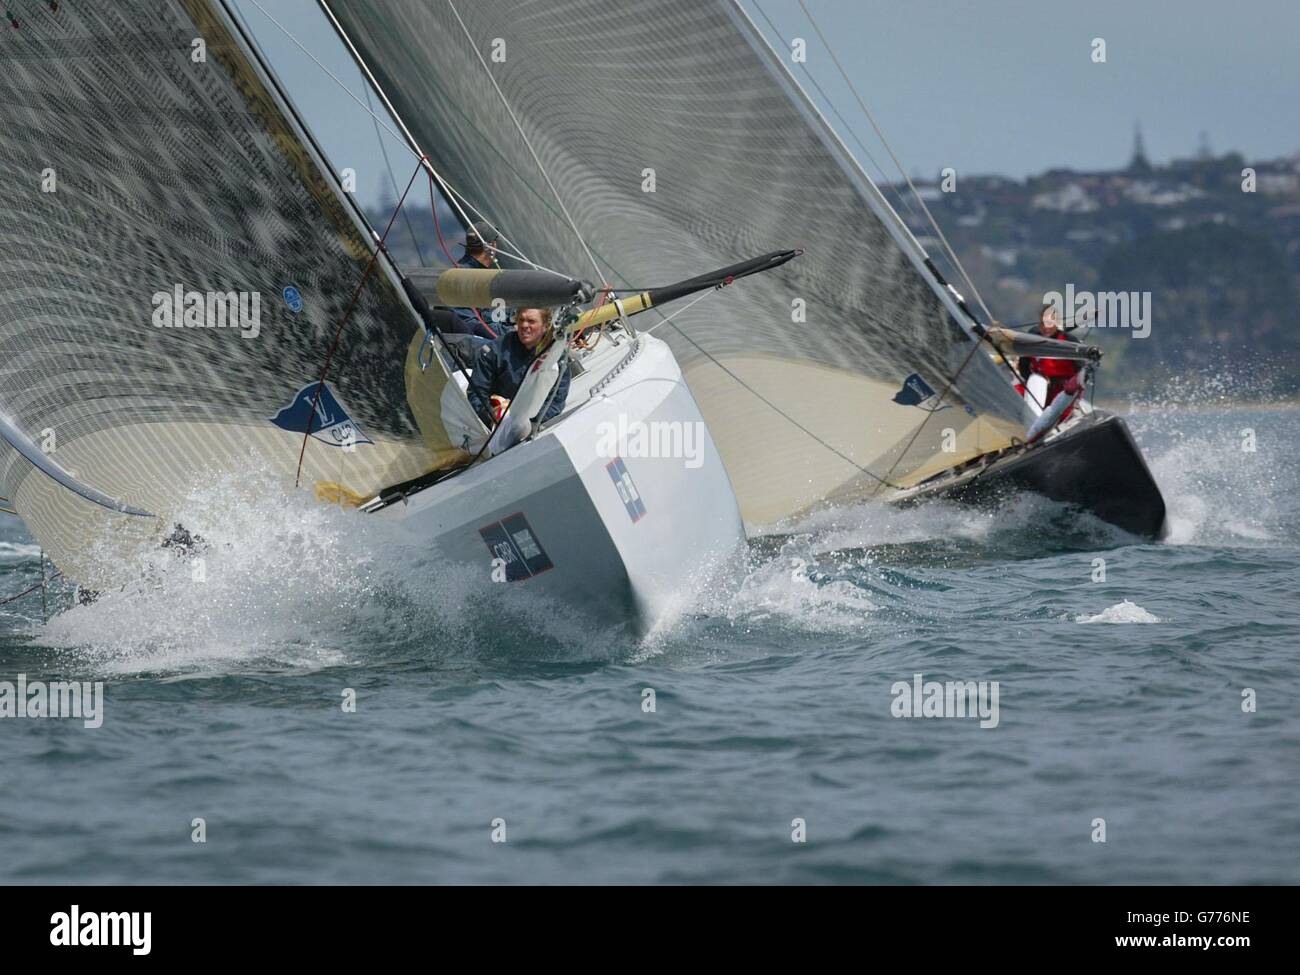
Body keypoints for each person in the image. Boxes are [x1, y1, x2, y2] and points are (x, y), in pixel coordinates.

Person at [466, 307, 570, 427]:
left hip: (535, 425)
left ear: (545, 326)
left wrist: (527, 422)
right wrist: (490, 414)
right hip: (497, 424)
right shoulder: (496, 351)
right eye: (521, 320)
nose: (524, 325)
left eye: (531, 321)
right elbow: (476, 392)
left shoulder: (556, 357)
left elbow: (556, 402)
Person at [446, 220, 503, 340]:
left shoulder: (468, 274)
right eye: (495, 242)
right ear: (491, 246)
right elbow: (471, 326)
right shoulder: (461, 278)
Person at [1017, 303, 1082, 406]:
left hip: (1062, 390)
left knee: (1060, 412)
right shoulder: (1033, 336)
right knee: (1016, 394)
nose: (1046, 328)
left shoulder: (1069, 341)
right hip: (1038, 386)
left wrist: (1075, 391)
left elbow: (1081, 370)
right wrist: (1030, 379)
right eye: (1043, 323)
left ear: (1057, 324)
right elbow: (1023, 364)